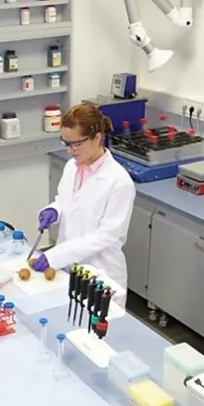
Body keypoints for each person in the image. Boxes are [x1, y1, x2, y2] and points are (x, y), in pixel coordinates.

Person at [32, 101, 136, 296]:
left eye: (77, 144)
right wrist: (55, 209)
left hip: (100, 276)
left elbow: (106, 236)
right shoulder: (72, 167)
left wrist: (56, 256)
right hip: (67, 270)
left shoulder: (119, 182)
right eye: (66, 143)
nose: (70, 150)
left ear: (97, 138)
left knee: (96, 316)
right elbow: (66, 201)